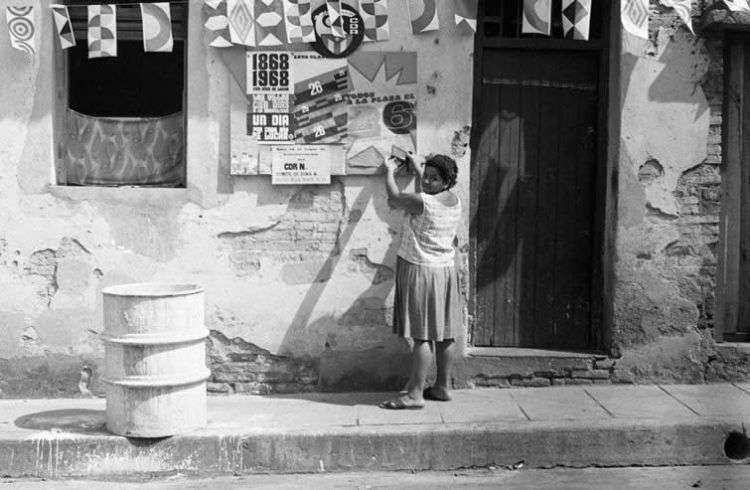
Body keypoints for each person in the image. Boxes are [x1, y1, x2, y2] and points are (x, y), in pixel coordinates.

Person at [379, 152, 462, 409]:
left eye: (434, 179)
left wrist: (388, 172)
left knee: (422, 336)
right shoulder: (454, 200)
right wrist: (418, 169)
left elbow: (395, 198)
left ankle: (415, 395)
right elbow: (427, 195)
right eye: (425, 177)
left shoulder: (421, 201)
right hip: (445, 272)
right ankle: (442, 387)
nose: (427, 182)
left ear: (446, 181)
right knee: (445, 334)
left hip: (421, 270)